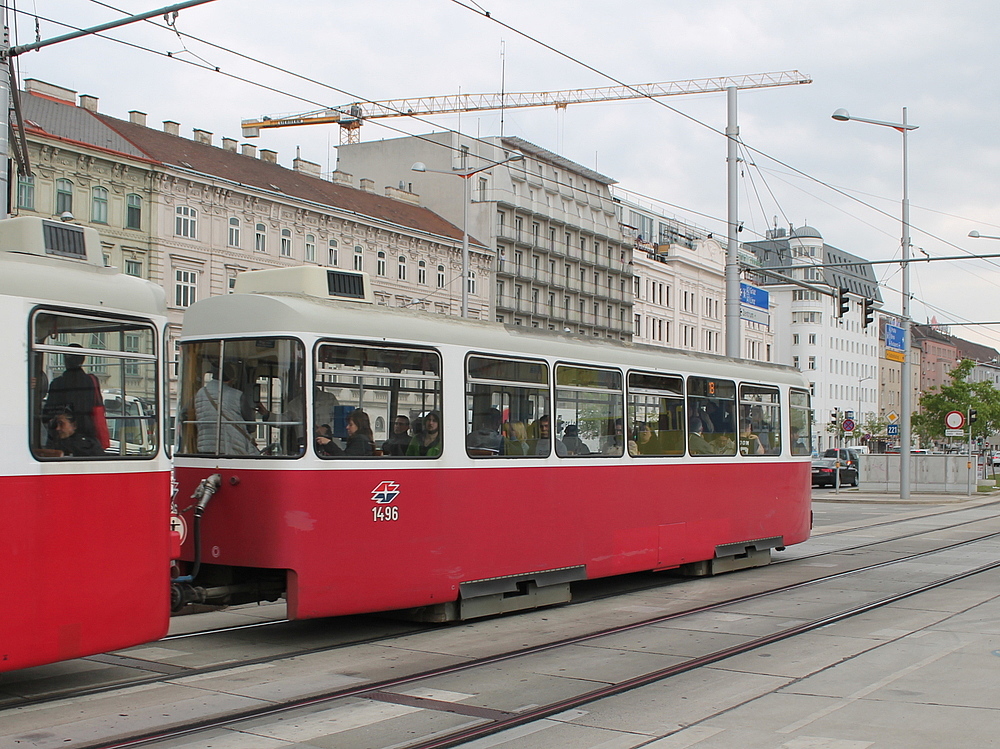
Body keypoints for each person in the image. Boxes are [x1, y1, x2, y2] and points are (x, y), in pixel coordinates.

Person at [194, 362, 259, 455]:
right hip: (232, 447)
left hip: (204, 447)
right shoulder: (237, 395)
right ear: (230, 379)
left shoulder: (200, 393)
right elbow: (251, 426)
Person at [43, 343, 102, 443]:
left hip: (63, 435)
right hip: (88, 435)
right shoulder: (91, 381)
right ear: (83, 360)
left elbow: (47, 415)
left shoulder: (58, 383)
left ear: (65, 360)